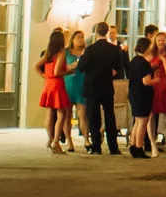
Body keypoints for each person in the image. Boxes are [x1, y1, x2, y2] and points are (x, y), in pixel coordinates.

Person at [79, 22, 124, 156]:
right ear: (107, 32)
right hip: (106, 86)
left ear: (96, 32)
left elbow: (81, 67)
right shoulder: (113, 49)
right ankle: (113, 147)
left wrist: (83, 57)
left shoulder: (90, 49)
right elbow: (117, 67)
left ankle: (96, 146)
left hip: (92, 86)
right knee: (109, 115)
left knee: (94, 117)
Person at [125, 25, 157, 157]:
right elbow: (146, 81)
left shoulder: (134, 61)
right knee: (143, 121)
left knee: (137, 121)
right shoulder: (144, 63)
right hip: (142, 95)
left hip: (133, 93)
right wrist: (157, 80)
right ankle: (139, 147)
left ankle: (133, 145)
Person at [60, 28, 86, 152]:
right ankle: (70, 142)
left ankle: (86, 140)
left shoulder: (86, 52)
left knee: (83, 114)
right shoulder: (66, 52)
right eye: (78, 37)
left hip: (81, 85)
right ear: (73, 39)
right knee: (67, 115)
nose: (81, 40)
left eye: (82, 37)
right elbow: (60, 67)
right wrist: (71, 66)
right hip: (68, 85)